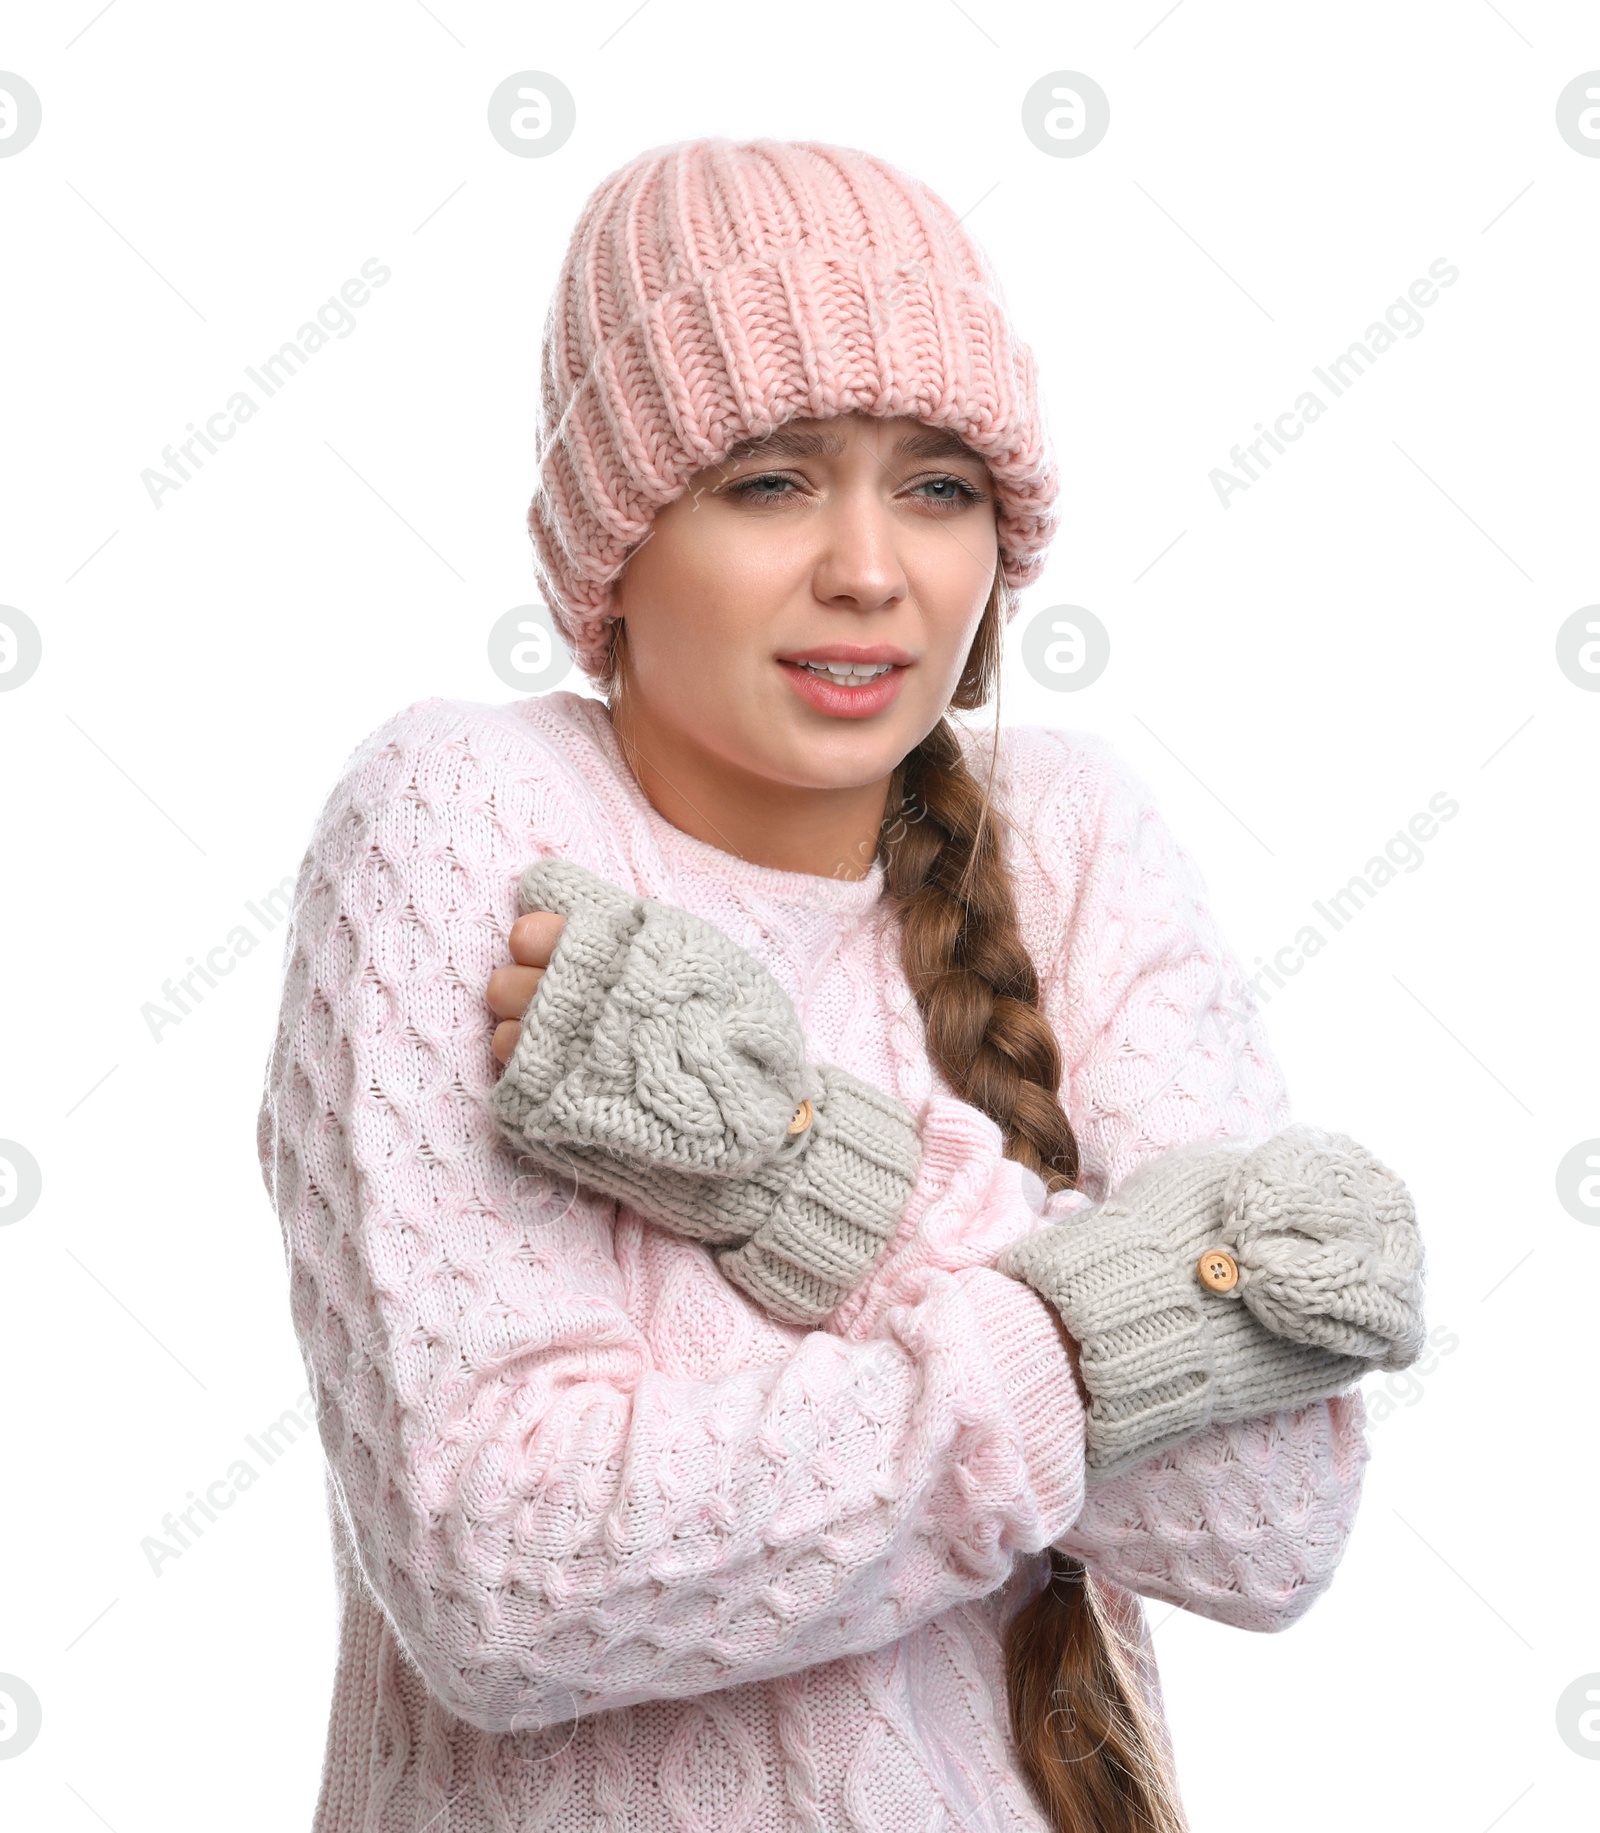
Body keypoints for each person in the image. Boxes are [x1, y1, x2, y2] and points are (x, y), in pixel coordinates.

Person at [257, 137, 1426, 1833]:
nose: (872, 569)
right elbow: (498, 1572)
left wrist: (807, 1173)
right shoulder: (462, 816)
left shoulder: (1073, 836)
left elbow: (1269, 1525)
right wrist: (1104, 1333)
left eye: (938, 485)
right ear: (616, 535)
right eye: (772, 480)